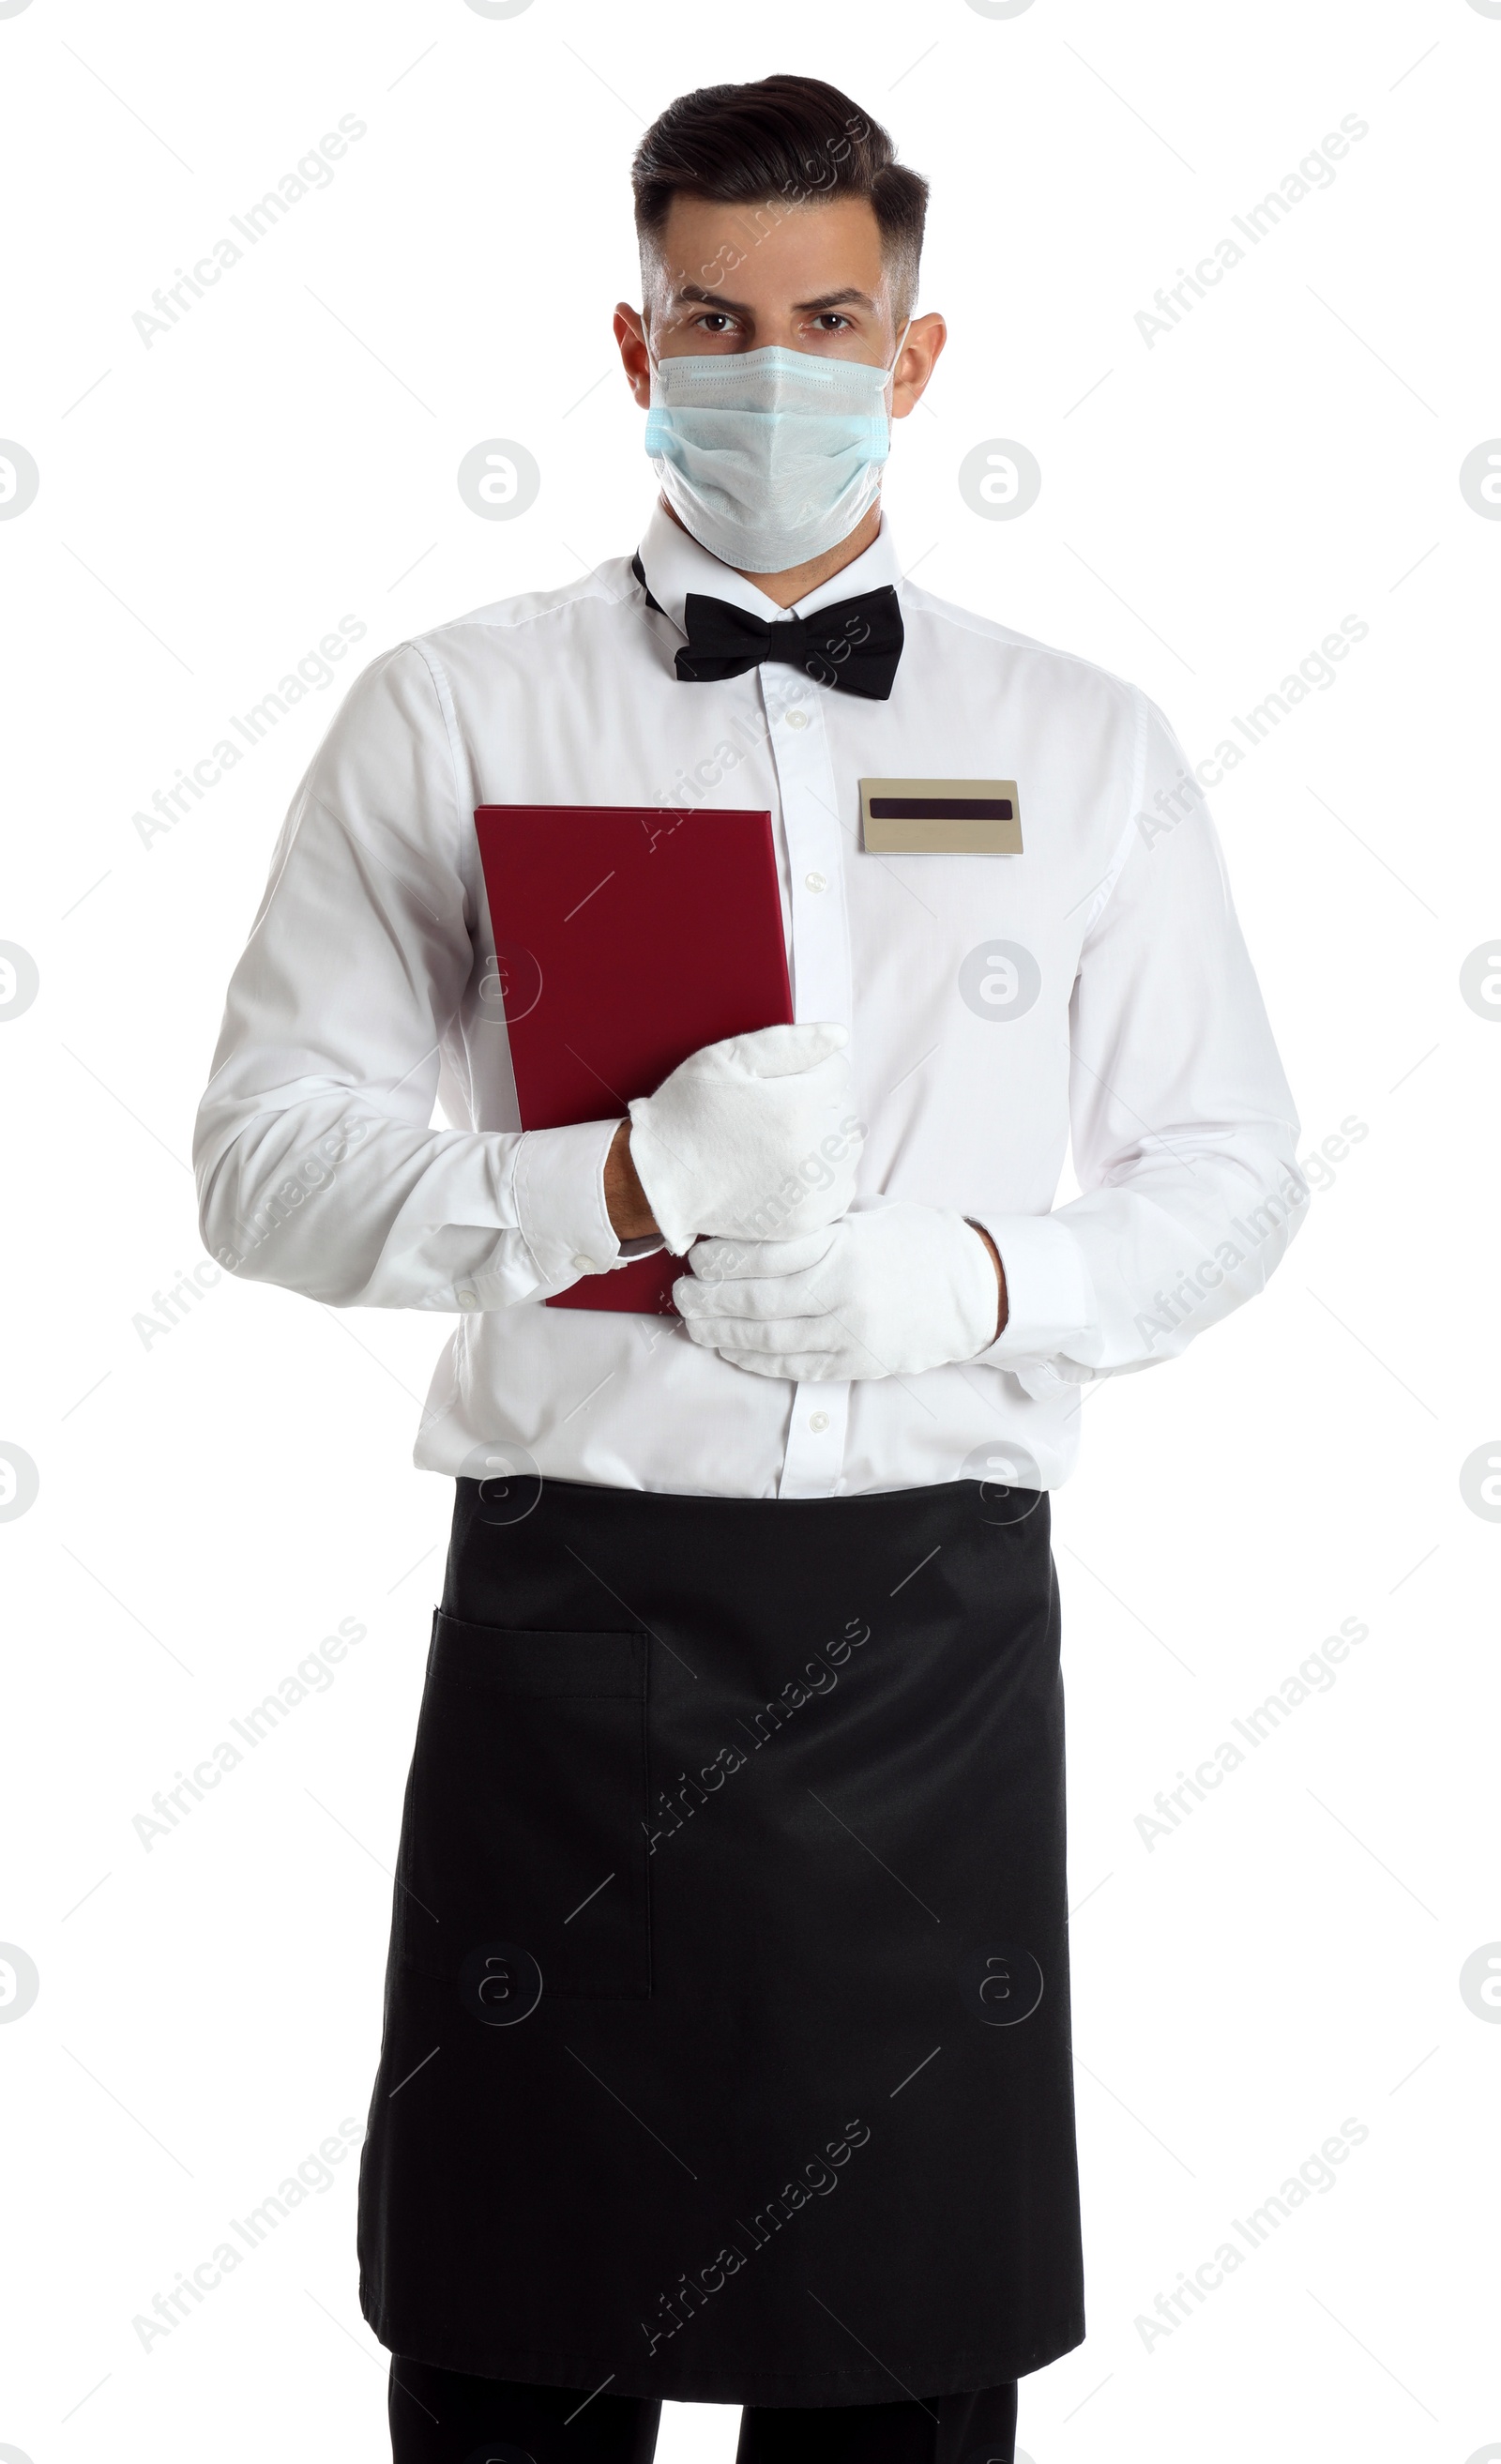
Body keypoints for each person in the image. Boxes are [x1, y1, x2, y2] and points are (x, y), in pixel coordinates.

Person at [193, 72, 1306, 2464]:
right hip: (565, 1623)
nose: (770, 368)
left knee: (900, 2384)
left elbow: (1230, 1171)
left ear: (911, 357)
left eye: (825, 319)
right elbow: (259, 1168)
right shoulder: (450, 712)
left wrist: (975, 1283)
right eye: (715, 315)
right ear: (631, 344)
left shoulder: (1080, 741)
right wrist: (608, 1185)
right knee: (507, 2359)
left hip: (931, 1636)